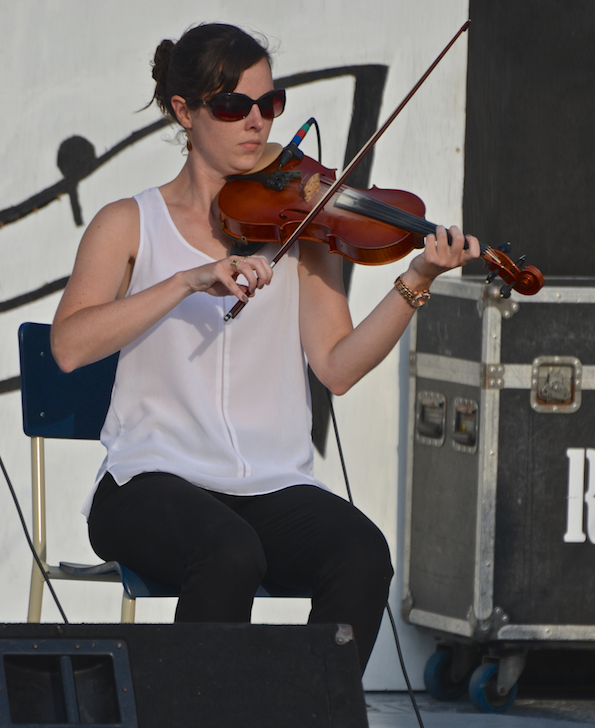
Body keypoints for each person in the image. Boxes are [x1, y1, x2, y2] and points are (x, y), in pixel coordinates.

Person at [51, 23, 480, 672]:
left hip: (266, 482)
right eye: (233, 106)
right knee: (227, 552)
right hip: (148, 478)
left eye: (269, 105)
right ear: (185, 113)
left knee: (362, 554)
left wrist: (415, 280)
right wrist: (185, 280)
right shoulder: (129, 223)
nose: (256, 122)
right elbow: (69, 347)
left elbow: (336, 366)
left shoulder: (302, 224)